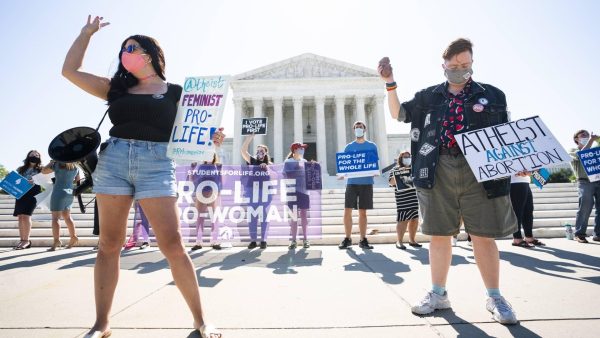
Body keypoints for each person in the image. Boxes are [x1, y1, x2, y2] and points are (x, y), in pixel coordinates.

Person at [62, 15, 223, 338]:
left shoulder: (177, 92)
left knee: (172, 243)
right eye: (123, 49)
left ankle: (201, 320)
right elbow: (70, 71)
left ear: (149, 54)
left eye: (130, 48)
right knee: (109, 243)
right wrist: (85, 34)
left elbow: (195, 138)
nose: (124, 53)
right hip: (115, 159)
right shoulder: (116, 90)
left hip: (157, 162)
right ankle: (101, 324)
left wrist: (211, 140)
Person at [379, 38, 519, 324]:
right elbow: (398, 114)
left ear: (472, 63)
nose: (459, 70)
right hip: (437, 167)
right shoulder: (428, 96)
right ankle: (438, 293)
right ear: (443, 65)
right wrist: (390, 83)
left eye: (465, 65)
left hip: (478, 170)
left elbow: (504, 135)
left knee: (482, 235)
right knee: (440, 235)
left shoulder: (492, 95)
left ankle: (495, 296)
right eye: (454, 66)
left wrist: (517, 162)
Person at [338, 121, 379, 250]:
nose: (358, 129)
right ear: (353, 130)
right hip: (352, 183)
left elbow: (375, 162)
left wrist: (375, 171)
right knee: (347, 211)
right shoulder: (349, 147)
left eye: (360, 127)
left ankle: (362, 239)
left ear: (364, 130)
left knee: (363, 212)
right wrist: (342, 173)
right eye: (356, 127)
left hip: (366, 183)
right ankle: (347, 238)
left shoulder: (372, 146)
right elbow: (345, 164)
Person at [241, 134, 273, 249]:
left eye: (262, 151)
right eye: (258, 150)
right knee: (252, 216)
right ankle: (253, 240)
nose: (260, 152)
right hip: (251, 190)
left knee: (264, 216)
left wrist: (267, 168)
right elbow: (243, 151)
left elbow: (276, 176)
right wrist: (250, 138)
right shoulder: (252, 161)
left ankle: (263, 240)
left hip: (265, 192)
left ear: (266, 153)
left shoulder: (270, 164)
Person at [41, 160, 81, 250]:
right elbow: (77, 180)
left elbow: (43, 171)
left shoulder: (58, 164)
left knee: (55, 218)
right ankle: (73, 237)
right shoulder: (75, 166)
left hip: (58, 192)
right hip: (70, 192)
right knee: (67, 216)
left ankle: (56, 240)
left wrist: (51, 162)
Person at [570, 129, 600, 243]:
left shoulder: (594, 149)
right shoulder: (572, 150)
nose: (586, 136)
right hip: (585, 182)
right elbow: (583, 155)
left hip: (598, 180)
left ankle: (598, 234)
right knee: (585, 208)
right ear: (576, 139)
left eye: (587, 134)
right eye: (583, 135)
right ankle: (579, 233)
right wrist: (591, 140)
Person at [388, 151, 421, 250]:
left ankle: (412, 240)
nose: (407, 158)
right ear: (400, 158)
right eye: (404, 157)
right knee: (402, 220)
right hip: (402, 198)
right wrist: (399, 173)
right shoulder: (395, 169)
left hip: (413, 197)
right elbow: (391, 182)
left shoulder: (414, 168)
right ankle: (399, 241)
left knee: (414, 219)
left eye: (408, 156)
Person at [189, 155, 223, 251]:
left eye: (210, 154)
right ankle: (198, 242)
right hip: (201, 193)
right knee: (200, 218)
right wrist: (192, 169)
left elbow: (220, 181)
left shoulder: (217, 166)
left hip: (213, 193)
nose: (208, 157)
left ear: (213, 156)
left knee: (214, 217)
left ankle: (215, 241)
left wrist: (220, 171)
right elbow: (192, 179)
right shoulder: (200, 167)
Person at [283, 142, 313, 249]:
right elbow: (286, 174)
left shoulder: (304, 161)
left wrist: (312, 167)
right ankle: (293, 240)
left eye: (303, 149)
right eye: (301, 148)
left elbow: (309, 175)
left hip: (304, 191)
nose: (302, 151)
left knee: (304, 216)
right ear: (295, 150)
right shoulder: (288, 161)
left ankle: (305, 239)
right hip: (292, 191)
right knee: (294, 217)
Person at [12, 150, 43, 250]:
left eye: (37, 155)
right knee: (20, 216)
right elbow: (15, 180)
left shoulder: (41, 169)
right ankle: (22, 240)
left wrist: (35, 180)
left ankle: (27, 240)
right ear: (28, 156)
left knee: (26, 215)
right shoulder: (21, 169)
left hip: (33, 193)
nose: (34, 156)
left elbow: (45, 180)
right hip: (21, 193)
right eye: (32, 154)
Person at [510, 171, 545, 247]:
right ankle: (517, 238)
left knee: (528, 211)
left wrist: (530, 172)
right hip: (514, 182)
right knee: (517, 211)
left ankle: (529, 237)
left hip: (525, 181)